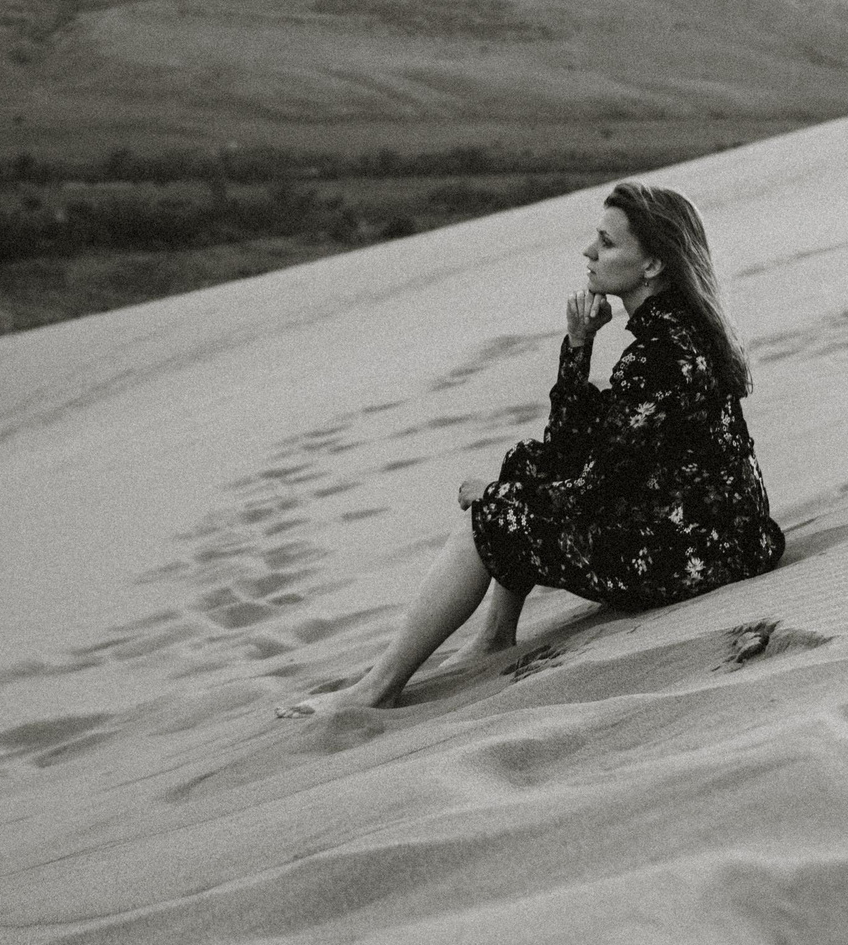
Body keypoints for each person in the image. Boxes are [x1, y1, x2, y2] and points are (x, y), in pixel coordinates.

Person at [277, 181, 782, 717]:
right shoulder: (677, 335)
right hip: (713, 540)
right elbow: (567, 452)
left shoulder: (663, 357)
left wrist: (495, 497)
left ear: (653, 263)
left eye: (607, 243)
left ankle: (375, 688)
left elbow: (588, 490)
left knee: (490, 517)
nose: (589, 253)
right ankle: (495, 634)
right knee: (526, 469)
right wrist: (579, 347)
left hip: (689, 559)